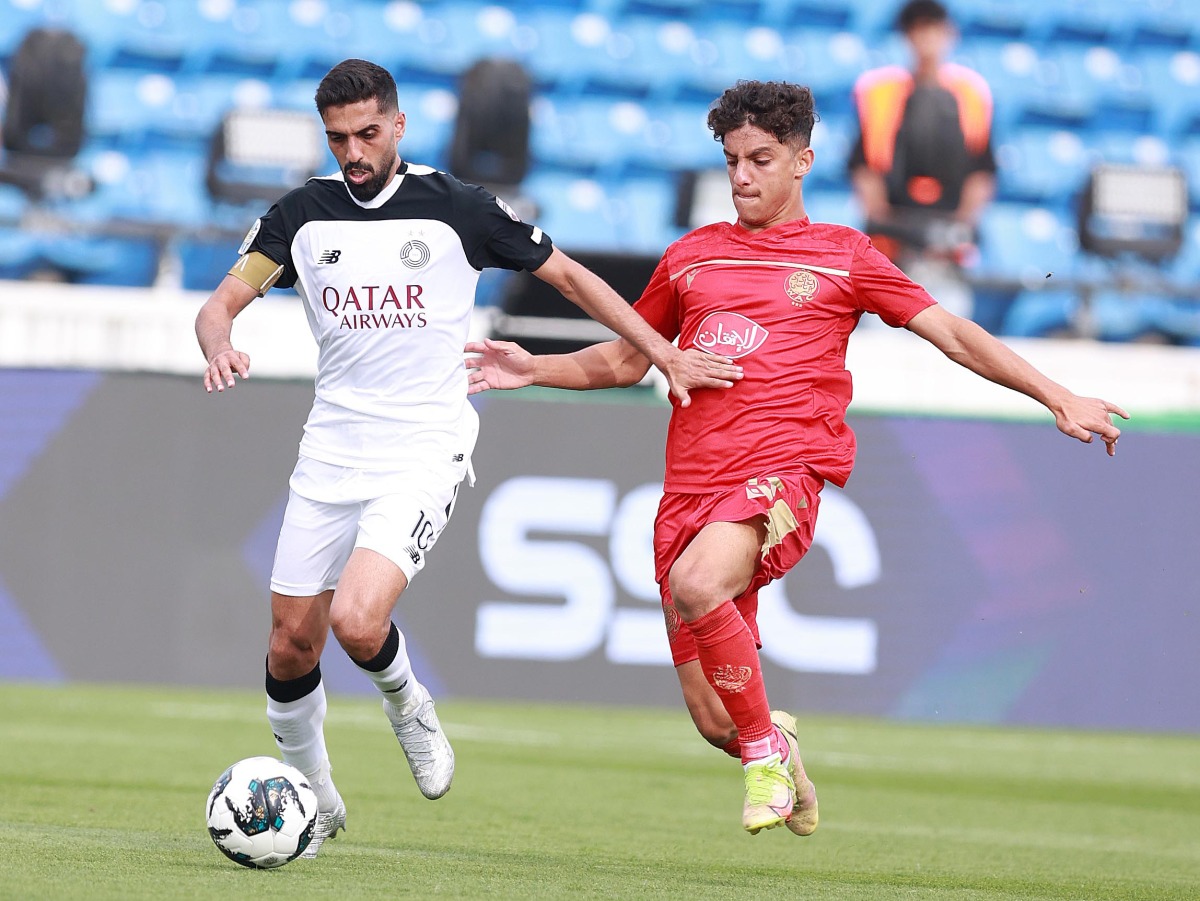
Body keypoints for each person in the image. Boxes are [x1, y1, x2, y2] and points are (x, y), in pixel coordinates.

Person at [466, 79, 1127, 836]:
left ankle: (763, 753)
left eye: (761, 159)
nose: (743, 176)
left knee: (696, 581)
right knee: (715, 717)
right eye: (732, 160)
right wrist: (533, 367)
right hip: (690, 488)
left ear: (803, 161)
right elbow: (625, 360)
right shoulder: (691, 257)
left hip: (782, 474)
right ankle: (776, 752)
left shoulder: (844, 257)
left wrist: (1057, 395)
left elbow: (952, 333)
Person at [195, 58, 724, 859]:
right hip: (332, 445)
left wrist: (662, 351)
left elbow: (574, 279)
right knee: (287, 644)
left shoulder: (457, 210)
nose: (354, 151)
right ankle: (318, 799)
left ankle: (409, 706)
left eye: (368, 133)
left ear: (399, 125)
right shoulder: (301, 215)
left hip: (424, 440)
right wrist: (219, 340)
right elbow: (221, 300)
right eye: (339, 137)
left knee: (355, 619)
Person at [847, 0, 997, 323]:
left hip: (948, 251)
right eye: (918, 29)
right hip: (890, 251)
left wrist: (959, 228)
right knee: (885, 335)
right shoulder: (879, 92)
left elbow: (982, 171)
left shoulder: (972, 95)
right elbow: (863, 167)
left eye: (934, 29)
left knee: (953, 333)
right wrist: (883, 221)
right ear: (907, 36)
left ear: (949, 34)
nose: (927, 39)